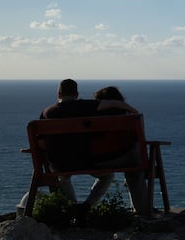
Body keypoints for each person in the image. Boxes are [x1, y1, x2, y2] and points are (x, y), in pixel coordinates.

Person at [36, 79, 151, 220]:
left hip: (59, 164)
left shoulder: (46, 112)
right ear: (77, 94)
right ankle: (88, 207)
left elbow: (41, 144)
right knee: (110, 175)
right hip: (87, 161)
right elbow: (113, 103)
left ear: (58, 93)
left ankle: (72, 209)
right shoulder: (86, 106)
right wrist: (130, 109)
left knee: (61, 175)